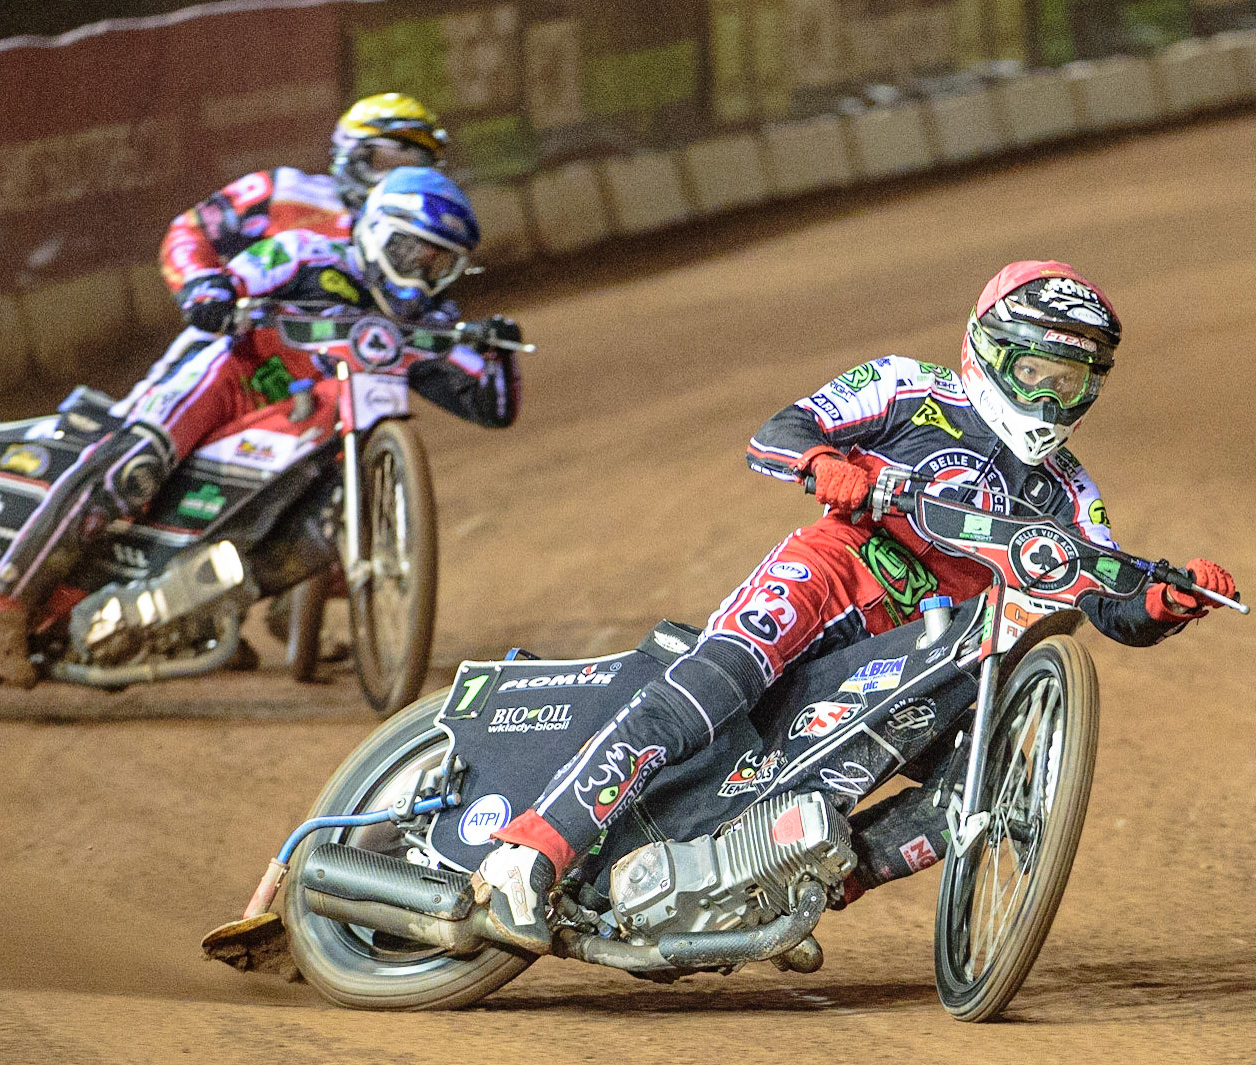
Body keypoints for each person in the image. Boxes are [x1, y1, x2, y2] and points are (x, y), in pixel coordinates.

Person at [471, 260, 1239, 953]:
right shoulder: (908, 385)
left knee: (994, 780)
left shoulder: (1070, 493)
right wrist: (821, 464)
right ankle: (529, 852)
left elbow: (1107, 598)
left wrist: (1164, 601)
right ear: (988, 351)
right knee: (713, 684)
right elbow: (778, 431)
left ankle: (777, 893)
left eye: (1068, 382)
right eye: (1034, 370)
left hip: (922, 653)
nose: (1047, 396)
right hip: (831, 575)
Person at [0, 168, 521, 686]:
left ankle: (189, 615)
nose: (420, 274)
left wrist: (500, 348)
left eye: (439, 264)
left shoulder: (429, 323)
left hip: (304, 436)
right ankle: (4, 604)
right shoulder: (307, 250)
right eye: (410, 252)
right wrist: (210, 291)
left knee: (311, 535)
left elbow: (491, 406)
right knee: (135, 465)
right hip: (231, 379)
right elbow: (229, 278)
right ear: (377, 231)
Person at [160, 92, 448, 335]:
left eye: (415, 167)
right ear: (352, 154)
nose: (399, 177)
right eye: (387, 160)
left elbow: (429, 310)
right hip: (246, 348)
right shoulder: (284, 189)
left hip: (356, 373)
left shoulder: (422, 231)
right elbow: (190, 230)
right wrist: (203, 286)